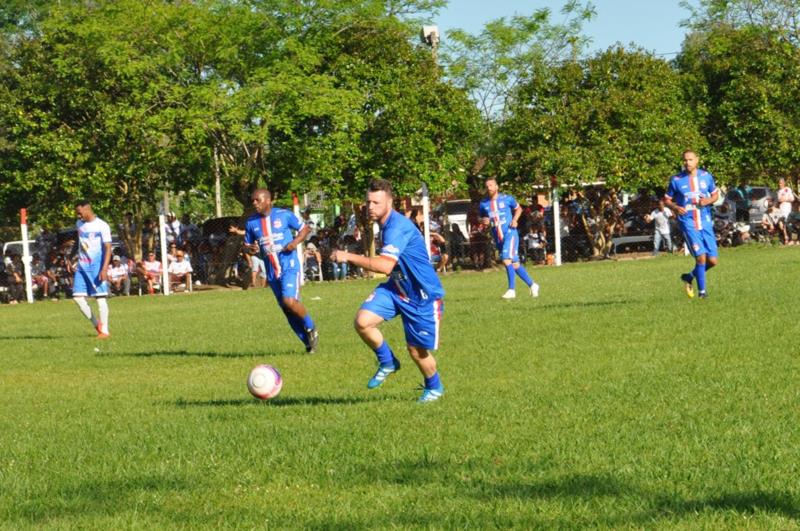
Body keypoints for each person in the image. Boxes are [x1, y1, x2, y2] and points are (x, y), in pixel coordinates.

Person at [331, 179, 446, 402]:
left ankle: (435, 387)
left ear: (390, 202)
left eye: (376, 202)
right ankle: (388, 361)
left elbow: (384, 266)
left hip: (422, 296)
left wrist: (348, 257)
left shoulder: (397, 227)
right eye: (368, 202)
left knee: (416, 351)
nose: (370, 207)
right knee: (363, 322)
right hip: (397, 288)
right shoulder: (384, 225)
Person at [244, 188, 319, 353]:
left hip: (289, 265)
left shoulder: (284, 215)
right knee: (287, 310)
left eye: (258, 200)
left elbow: (305, 229)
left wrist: (294, 243)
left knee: (289, 301)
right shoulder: (251, 222)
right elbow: (248, 247)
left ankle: (311, 327)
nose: (254, 203)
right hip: (271, 271)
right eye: (253, 201)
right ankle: (308, 345)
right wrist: (251, 249)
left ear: (268, 200)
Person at [663, 150, 719, 299]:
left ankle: (689, 276)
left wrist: (707, 201)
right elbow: (666, 200)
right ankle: (702, 293)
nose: (687, 162)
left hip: (705, 221)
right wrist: (675, 207)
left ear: (697, 160)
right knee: (700, 257)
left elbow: (715, 195)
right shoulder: (676, 179)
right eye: (685, 160)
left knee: (712, 261)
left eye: (690, 159)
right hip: (688, 222)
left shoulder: (706, 177)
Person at [479, 177, 540, 299]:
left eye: (491, 185)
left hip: (510, 233)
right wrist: (483, 221)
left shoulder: (507, 199)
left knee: (506, 259)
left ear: (497, 187)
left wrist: (515, 220)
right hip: (498, 236)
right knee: (515, 264)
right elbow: (482, 218)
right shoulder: (484, 203)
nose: (488, 187)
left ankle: (511, 290)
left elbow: (518, 209)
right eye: (487, 186)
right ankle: (533, 285)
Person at [71, 200, 112, 337]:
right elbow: (79, 241)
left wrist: (104, 268)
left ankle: (105, 331)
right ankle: (97, 325)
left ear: (87, 209)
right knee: (77, 297)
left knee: (100, 298)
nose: (78, 215)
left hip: (96, 267)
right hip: (82, 266)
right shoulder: (79, 224)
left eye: (79, 212)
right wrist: (72, 257)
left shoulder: (102, 226)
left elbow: (108, 247)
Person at [777, 178, 795, 244]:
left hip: (787, 209)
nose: (780, 184)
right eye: (779, 183)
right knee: (781, 224)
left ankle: (790, 240)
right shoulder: (779, 191)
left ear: (784, 183)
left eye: (781, 183)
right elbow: (779, 199)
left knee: (787, 224)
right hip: (781, 210)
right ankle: (785, 238)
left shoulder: (787, 189)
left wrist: (785, 199)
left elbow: (792, 198)